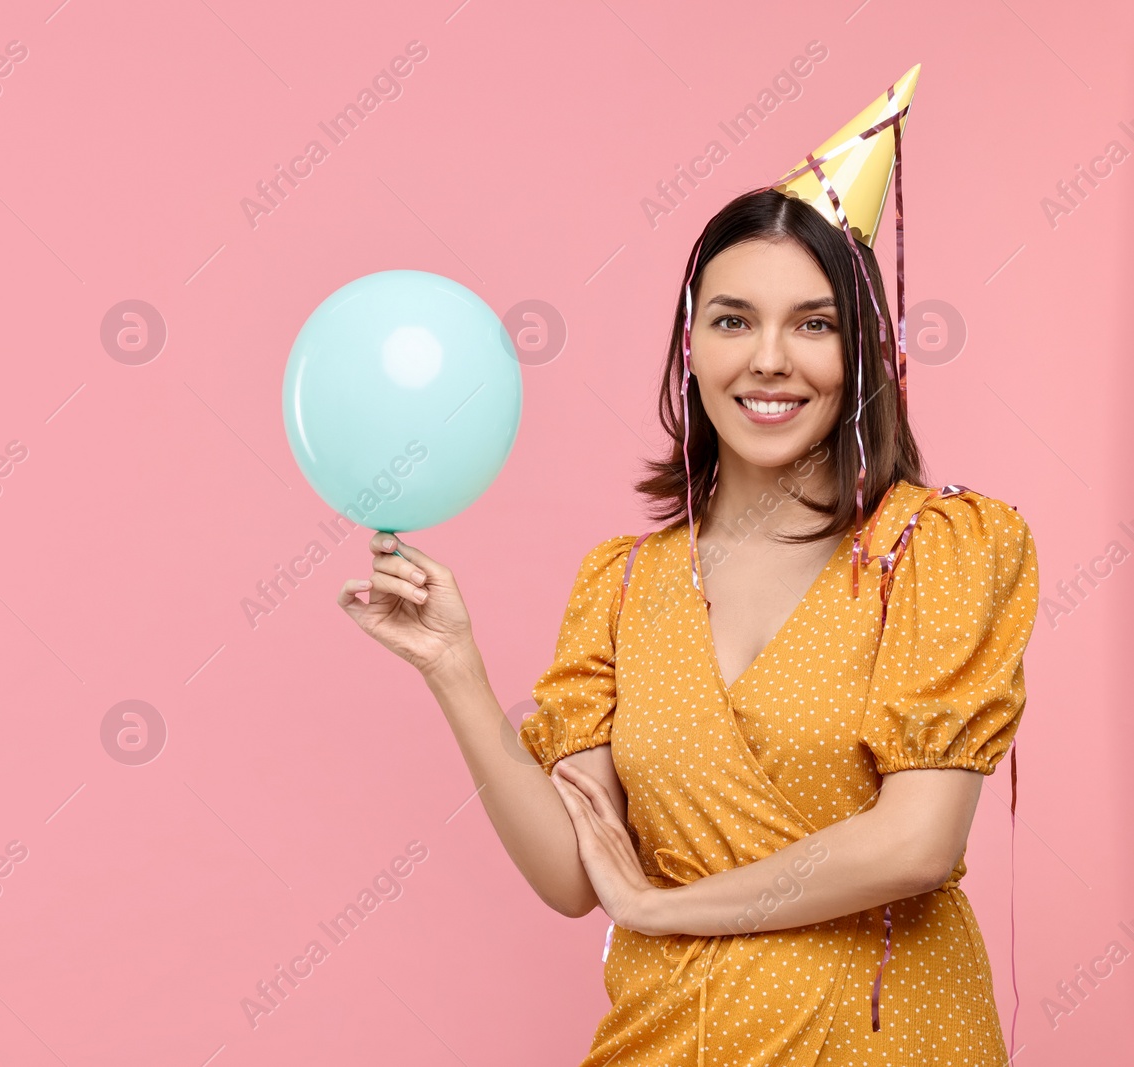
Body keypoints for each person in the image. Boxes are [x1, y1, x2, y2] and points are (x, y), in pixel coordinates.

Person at [337, 67, 1039, 1066]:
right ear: (689, 346)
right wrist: (452, 667)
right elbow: (574, 873)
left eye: (813, 322)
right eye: (731, 318)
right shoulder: (621, 583)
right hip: (671, 1039)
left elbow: (914, 842)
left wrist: (661, 907)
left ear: (865, 352)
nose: (768, 358)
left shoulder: (938, 551)